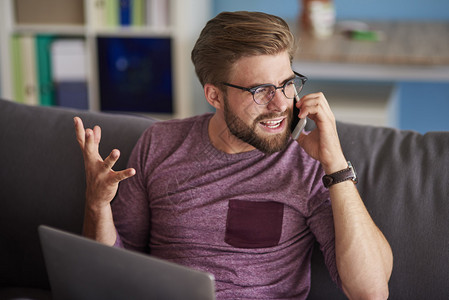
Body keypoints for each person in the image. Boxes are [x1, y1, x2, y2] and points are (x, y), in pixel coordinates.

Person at [74, 11, 392, 299]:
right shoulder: (160, 143)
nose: (281, 104)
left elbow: (370, 290)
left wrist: (335, 164)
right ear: (214, 95)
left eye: (287, 84)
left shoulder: (308, 162)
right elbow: (115, 267)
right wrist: (97, 204)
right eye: (260, 90)